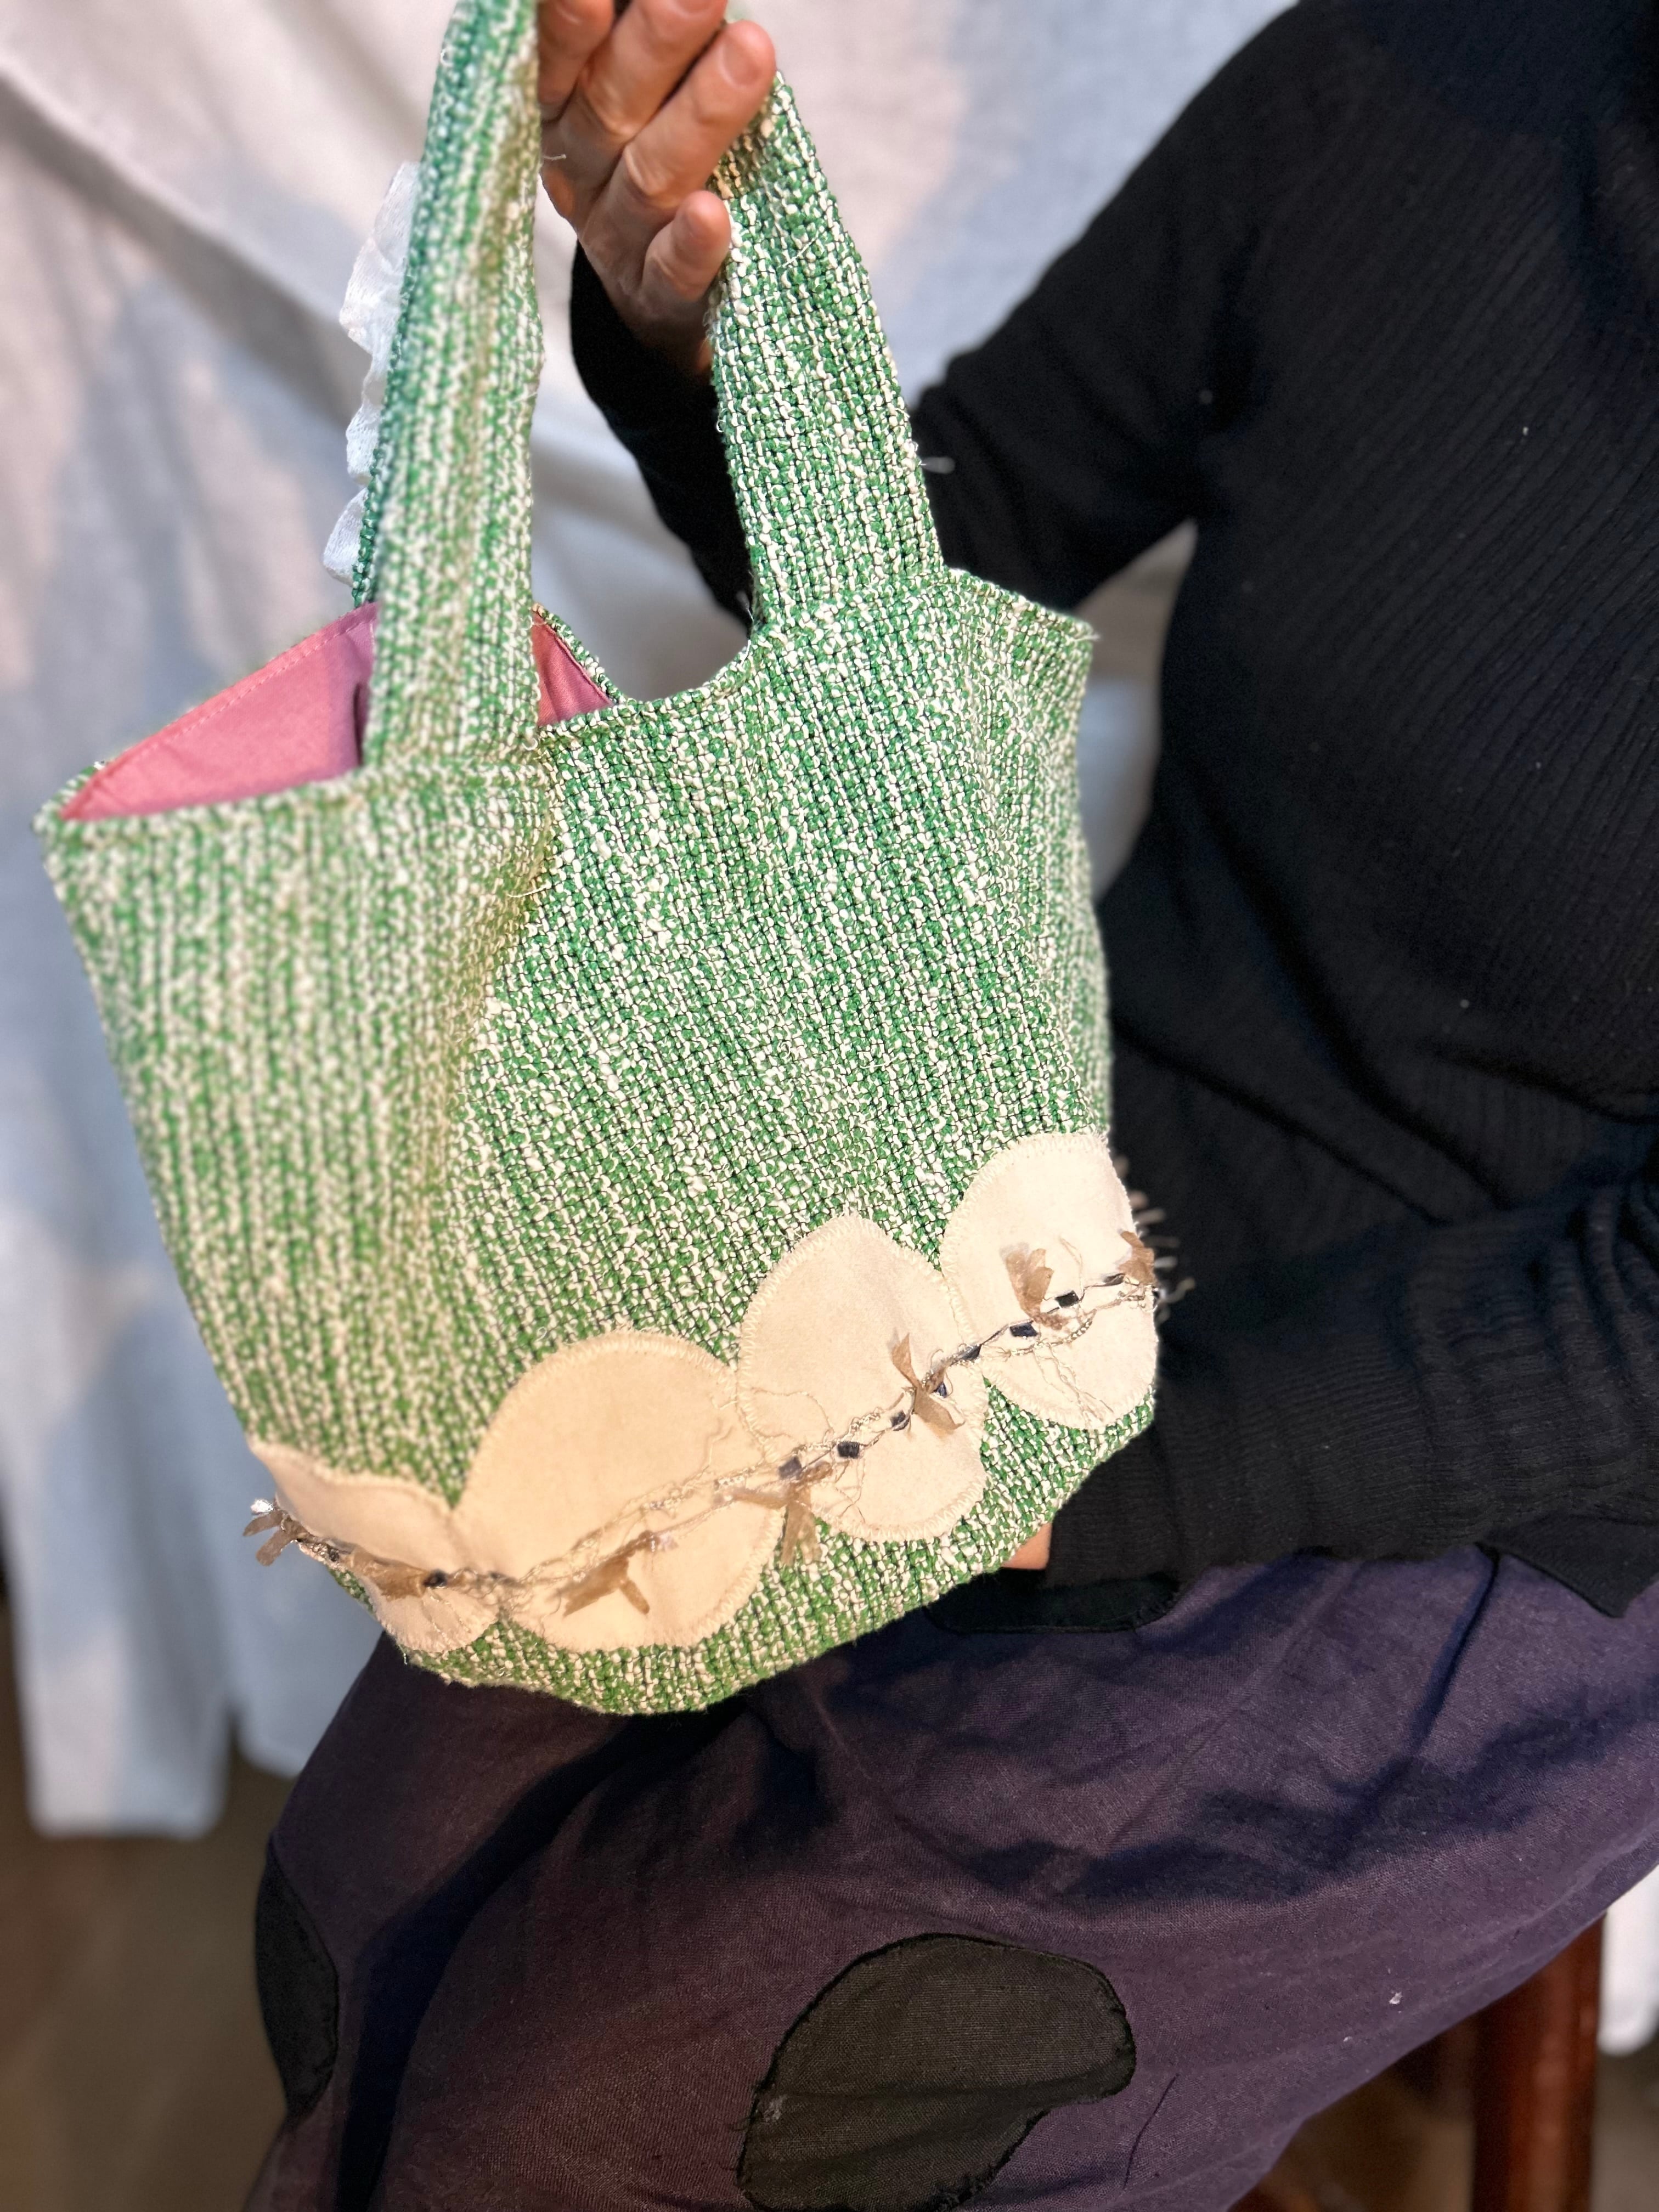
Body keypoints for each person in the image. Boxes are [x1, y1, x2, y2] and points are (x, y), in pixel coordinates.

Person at [247, 3, 1659, 2206]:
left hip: (1518, 1483)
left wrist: (1073, 1468)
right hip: (1061, 1203)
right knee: (375, 1885)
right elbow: (956, 560)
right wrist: (695, 335)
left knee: (632, 2093)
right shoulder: (1431, 70)